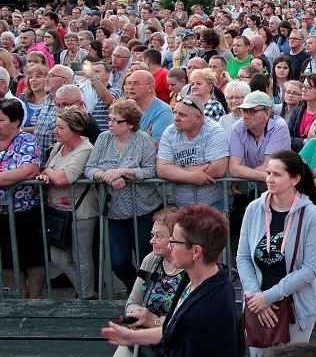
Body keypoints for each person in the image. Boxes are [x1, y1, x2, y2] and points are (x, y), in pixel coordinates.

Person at [101, 205, 240, 357]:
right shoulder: (200, 278)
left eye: (174, 242)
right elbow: (172, 331)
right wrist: (132, 337)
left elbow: (178, 338)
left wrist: (151, 323)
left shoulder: (205, 307)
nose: (170, 247)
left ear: (196, 251)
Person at [237, 150, 316, 353]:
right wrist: (254, 296)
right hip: (257, 305)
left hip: (294, 307)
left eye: (277, 174)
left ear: (295, 179)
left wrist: (270, 296)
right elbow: (242, 257)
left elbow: (310, 269)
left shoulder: (310, 214)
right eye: (268, 173)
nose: (270, 179)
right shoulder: (253, 208)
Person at [84, 98, 161, 293]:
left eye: (116, 120)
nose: (110, 123)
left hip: (143, 208)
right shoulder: (103, 139)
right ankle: (133, 288)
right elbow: (89, 169)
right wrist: (107, 176)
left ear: (130, 124)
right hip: (114, 211)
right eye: (109, 119)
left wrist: (124, 172)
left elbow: (151, 170)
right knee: (118, 261)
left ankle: (147, 294)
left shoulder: (143, 139)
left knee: (147, 256)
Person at [35, 107, 96, 300]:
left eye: (61, 127)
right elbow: (46, 169)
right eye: (56, 126)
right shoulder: (59, 146)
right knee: (58, 256)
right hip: (57, 210)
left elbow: (63, 178)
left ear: (75, 130)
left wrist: (48, 174)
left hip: (81, 211)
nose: (55, 130)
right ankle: (86, 292)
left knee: (81, 257)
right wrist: (48, 173)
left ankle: (85, 296)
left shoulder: (86, 149)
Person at [121, 209, 185, 355]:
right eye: (152, 235)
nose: (151, 241)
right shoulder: (151, 260)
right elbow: (132, 301)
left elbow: (186, 323)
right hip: (145, 339)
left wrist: (154, 321)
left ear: (174, 239)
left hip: (177, 343)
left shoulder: (190, 269)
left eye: (158, 236)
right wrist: (136, 315)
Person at [0, 98, 44, 298]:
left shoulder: (26, 141)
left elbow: (27, 171)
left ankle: (34, 301)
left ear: (15, 122)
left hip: (23, 213)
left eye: (0, 120)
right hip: (1, 215)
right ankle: (17, 299)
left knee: (32, 259)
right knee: (7, 262)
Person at [156, 95, 230, 210]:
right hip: (180, 205)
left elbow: (218, 169)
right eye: (175, 112)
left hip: (213, 204)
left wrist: (176, 171)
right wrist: (191, 176)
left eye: (182, 115)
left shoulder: (214, 131)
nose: (176, 118)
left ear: (199, 118)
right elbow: (161, 169)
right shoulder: (170, 132)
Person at [228, 91, 292, 192]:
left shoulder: (279, 127)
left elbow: (268, 166)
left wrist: (243, 178)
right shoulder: (237, 127)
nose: (245, 116)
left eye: (251, 111)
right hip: (258, 189)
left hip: (281, 190)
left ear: (267, 113)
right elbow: (234, 168)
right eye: (243, 111)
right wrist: (263, 176)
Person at [287, 74, 316, 154]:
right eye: (303, 86)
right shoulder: (297, 111)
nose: (304, 90)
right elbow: (287, 137)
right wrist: (304, 141)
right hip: (295, 155)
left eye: (309, 87)